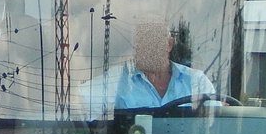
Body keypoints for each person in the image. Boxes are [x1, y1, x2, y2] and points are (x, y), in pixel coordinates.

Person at [80, 18, 215, 120]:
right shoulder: (119, 79)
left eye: (154, 41)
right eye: (142, 42)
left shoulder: (197, 81)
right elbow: (78, 101)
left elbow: (216, 123)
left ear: (169, 44)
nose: (148, 48)